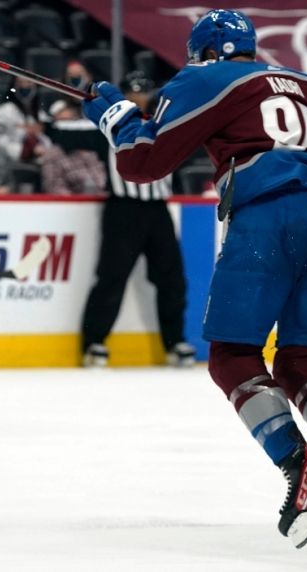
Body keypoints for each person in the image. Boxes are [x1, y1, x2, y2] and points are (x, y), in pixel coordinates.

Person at [82, 10, 307, 548]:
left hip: (266, 217)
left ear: (206, 51)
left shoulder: (204, 78)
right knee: (301, 361)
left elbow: (144, 162)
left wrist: (115, 114)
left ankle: (299, 467)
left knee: (232, 356)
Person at [79, 72, 194, 368]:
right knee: (112, 276)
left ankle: (175, 342)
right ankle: (94, 342)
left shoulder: (162, 122)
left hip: (158, 209)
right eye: (133, 91)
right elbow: (73, 124)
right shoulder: (114, 122)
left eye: (143, 92)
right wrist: (89, 92)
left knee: (172, 279)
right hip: (123, 209)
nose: (138, 97)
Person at [0, 75, 52, 163]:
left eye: (29, 83)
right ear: (14, 86)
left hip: (41, 161)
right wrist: (26, 150)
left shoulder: (40, 114)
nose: (24, 86)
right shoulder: (4, 110)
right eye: (20, 82)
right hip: (13, 161)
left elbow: (46, 140)